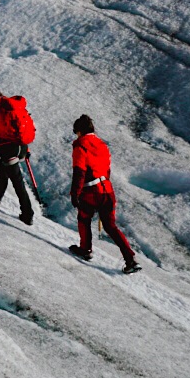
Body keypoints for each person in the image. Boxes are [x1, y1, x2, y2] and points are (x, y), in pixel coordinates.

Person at [68, 115, 141, 274]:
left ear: (79, 131)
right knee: (111, 226)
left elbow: (79, 172)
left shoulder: (80, 145)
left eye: (77, 132)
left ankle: (85, 249)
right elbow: (107, 170)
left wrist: (75, 193)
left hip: (91, 192)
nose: (77, 135)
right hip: (107, 190)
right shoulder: (102, 145)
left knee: (84, 219)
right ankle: (131, 259)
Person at [0, 84, 35, 225]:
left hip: (8, 147)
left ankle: (28, 213)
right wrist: (26, 150)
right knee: (3, 166)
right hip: (22, 147)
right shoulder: (12, 104)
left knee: (17, 182)